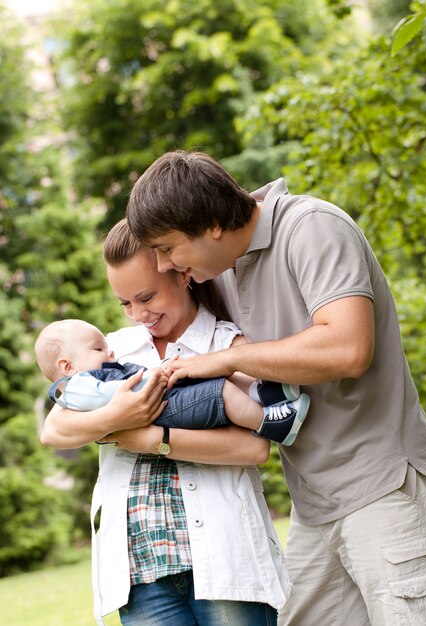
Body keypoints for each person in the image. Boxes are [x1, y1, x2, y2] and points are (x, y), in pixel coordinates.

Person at [125, 149, 426, 626]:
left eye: (169, 248)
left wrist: (230, 357)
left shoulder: (311, 227)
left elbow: (347, 348)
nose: (166, 264)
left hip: (387, 491)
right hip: (315, 506)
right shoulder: (223, 270)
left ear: (212, 223)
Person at [40, 219, 290, 626]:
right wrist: (121, 416)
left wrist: (154, 437)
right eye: (125, 303)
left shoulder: (227, 345)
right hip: (141, 569)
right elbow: (55, 429)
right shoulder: (110, 350)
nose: (138, 314)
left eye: (146, 296)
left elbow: (255, 447)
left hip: (223, 560)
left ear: (183, 273)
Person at [35, 318, 309, 446]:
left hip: (161, 398)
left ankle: (265, 392)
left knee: (208, 374)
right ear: (66, 366)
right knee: (219, 391)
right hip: (162, 409)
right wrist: (152, 377)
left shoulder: (98, 369)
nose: (110, 352)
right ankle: (270, 423)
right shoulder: (78, 386)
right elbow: (111, 394)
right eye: (98, 349)